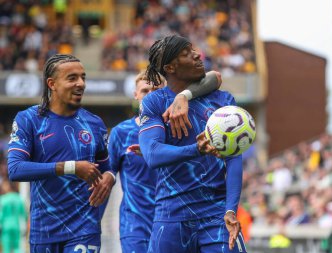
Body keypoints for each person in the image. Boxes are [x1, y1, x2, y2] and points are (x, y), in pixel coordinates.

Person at [139, 34, 247, 252]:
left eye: (193, 49)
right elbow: (152, 154)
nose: (198, 55)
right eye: (186, 54)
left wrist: (230, 210)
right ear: (170, 67)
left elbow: (235, 158)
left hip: (215, 215)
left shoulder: (223, 100)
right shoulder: (155, 102)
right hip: (171, 216)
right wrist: (197, 149)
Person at [7, 54, 115, 253]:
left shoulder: (94, 123)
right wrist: (72, 167)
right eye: (72, 78)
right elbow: (15, 169)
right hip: (44, 230)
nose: (81, 83)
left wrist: (110, 177)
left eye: (83, 77)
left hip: (85, 227)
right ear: (52, 83)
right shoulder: (29, 119)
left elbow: (107, 167)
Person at [108, 70, 221, 253]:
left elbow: (214, 76)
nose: (150, 95)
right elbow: (108, 176)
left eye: (156, 90)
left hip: (175, 221)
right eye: (145, 91)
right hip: (136, 226)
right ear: (135, 95)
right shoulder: (121, 132)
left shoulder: (181, 129)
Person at [0, 180, 28, 253]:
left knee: (6, 249)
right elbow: (24, 214)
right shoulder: (19, 198)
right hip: (16, 226)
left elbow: (1, 215)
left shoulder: (3, 199)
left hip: (5, 227)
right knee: (17, 248)